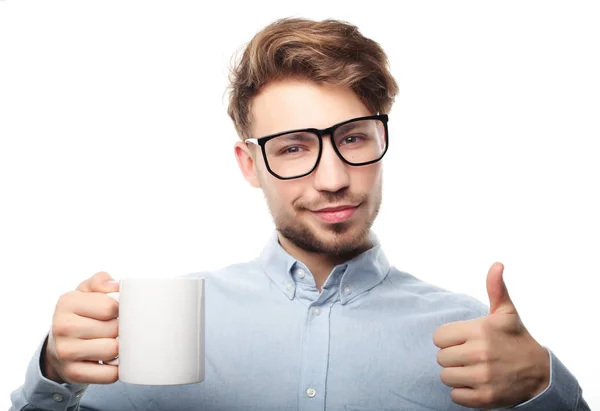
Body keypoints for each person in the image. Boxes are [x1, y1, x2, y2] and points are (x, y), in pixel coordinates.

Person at [10, 17, 589, 411]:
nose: (334, 178)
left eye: (355, 139)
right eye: (293, 147)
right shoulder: (149, 329)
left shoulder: (475, 340)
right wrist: (56, 368)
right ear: (249, 163)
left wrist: (545, 385)